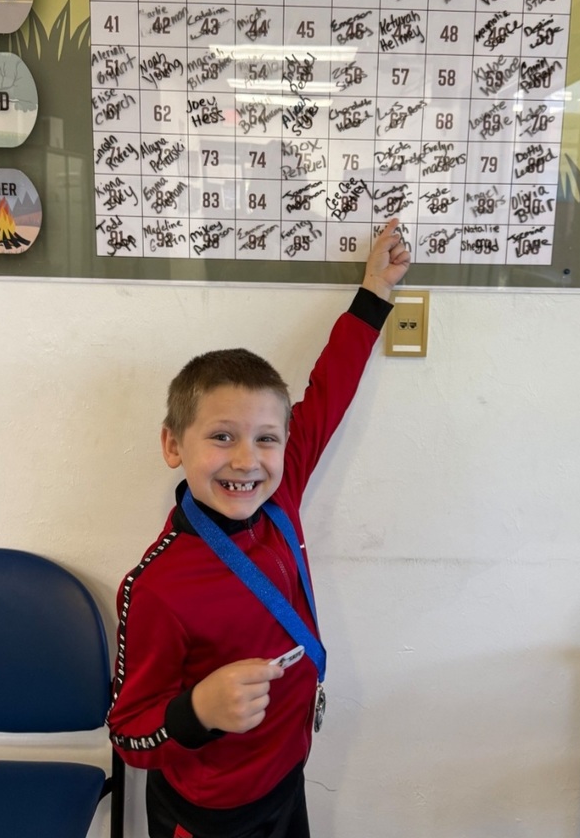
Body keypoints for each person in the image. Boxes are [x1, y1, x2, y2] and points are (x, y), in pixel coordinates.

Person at [107, 218, 411, 838]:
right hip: (208, 814)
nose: (247, 460)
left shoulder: (282, 492)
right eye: (221, 436)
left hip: (286, 779)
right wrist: (195, 711)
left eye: (266, 439)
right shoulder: (157, 587)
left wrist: (375, 293)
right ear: (173, 444)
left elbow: (329, 390)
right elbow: (129, 732)